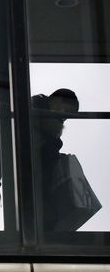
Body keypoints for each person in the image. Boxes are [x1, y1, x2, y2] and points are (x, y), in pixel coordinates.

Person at [32, 88, 79, 232]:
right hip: (32, 190)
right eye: (65, 109)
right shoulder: (40, 122)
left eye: (68, 114)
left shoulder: (29, 110)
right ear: (54, 100)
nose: (64, 116)